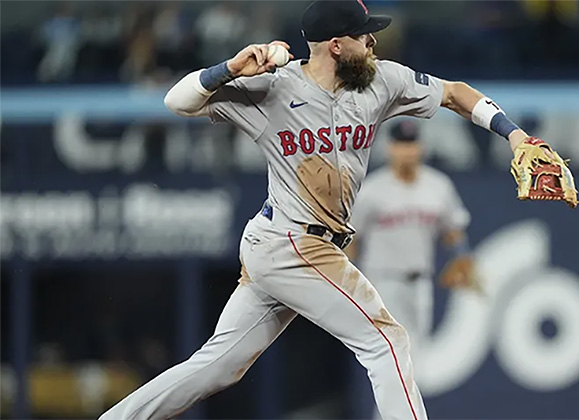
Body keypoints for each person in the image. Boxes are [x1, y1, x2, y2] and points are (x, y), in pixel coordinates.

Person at [100, 1, 546, 419]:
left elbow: (454, 93)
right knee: (386, 339)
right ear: (337, 44)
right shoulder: (272, 88)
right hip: (292, 240)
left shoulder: (381, 81)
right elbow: (176, 102)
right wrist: (231, 69)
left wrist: (514, 135)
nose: (372, 42)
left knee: (220, 365)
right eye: (363, 35)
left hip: (292, 244)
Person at [345, 119, 478, 419]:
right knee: (392, 356)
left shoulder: (438, 185)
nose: (407, 151)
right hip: (380, 282)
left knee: (413, 361)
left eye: (412, 144)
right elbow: (351, 240)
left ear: (421, 147)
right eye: (402, 145)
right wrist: (345, 280)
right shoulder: (373, 189)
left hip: (420, 282)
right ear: (390, 148)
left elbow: (453, 230)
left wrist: (463, 259)